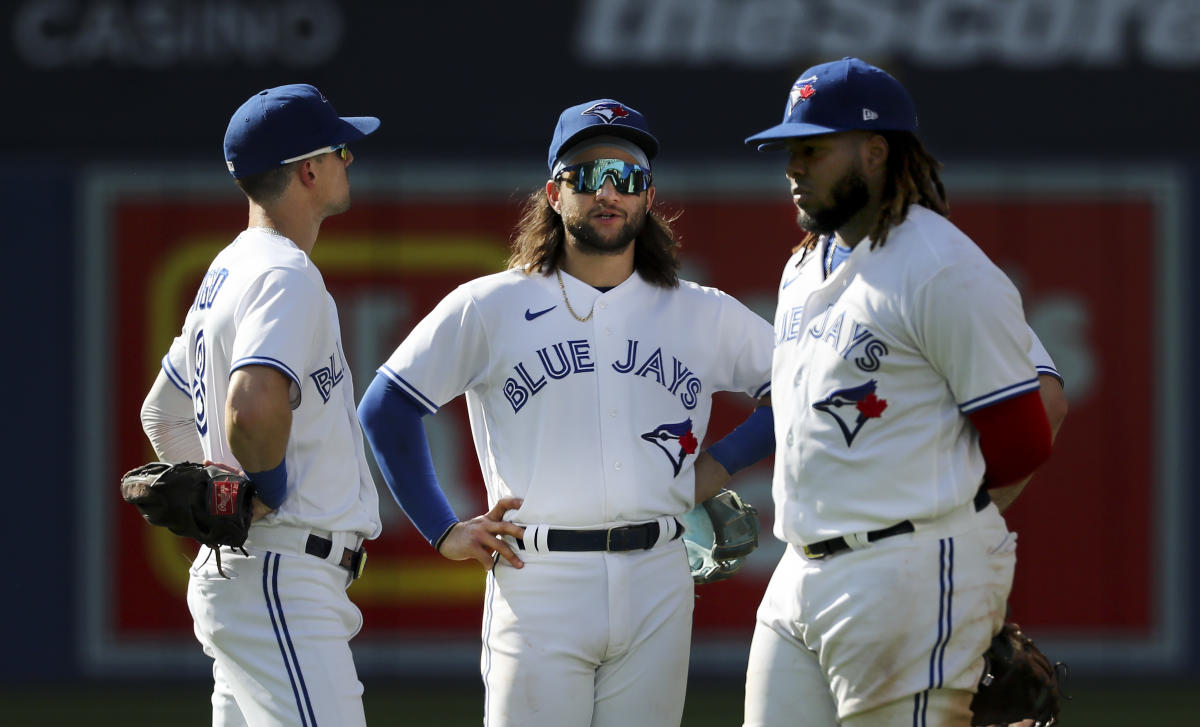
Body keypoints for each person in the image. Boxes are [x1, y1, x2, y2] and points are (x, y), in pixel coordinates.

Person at [357, 99, 775, 727]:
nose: (608, 191)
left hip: (659, 575)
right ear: (554, 193)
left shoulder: (699, 311)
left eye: (627, 176)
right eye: (587, 173)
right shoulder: (492, 304)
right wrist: (443, 529)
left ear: (648, 196)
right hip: (538, 579)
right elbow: (386, 406)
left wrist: (720, 464)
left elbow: (802, 389)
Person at [739, 57, 1068, 727]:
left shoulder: (941, 266)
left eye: (813, 148)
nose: (793, 167)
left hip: (906, 570)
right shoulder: (803, 263)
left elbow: (1025, 435)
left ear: (876, 149)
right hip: (798, 573)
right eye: (788, 150)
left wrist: (945, 527)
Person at [138, 83, 382, 726]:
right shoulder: (284, 274)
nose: (347, 160)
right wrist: (258, 495)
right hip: (281, 573)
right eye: (339, 150)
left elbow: (161, 414)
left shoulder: (228, 269)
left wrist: (227, 501)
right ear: (308, 169)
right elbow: (249, 407)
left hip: (254, 572)